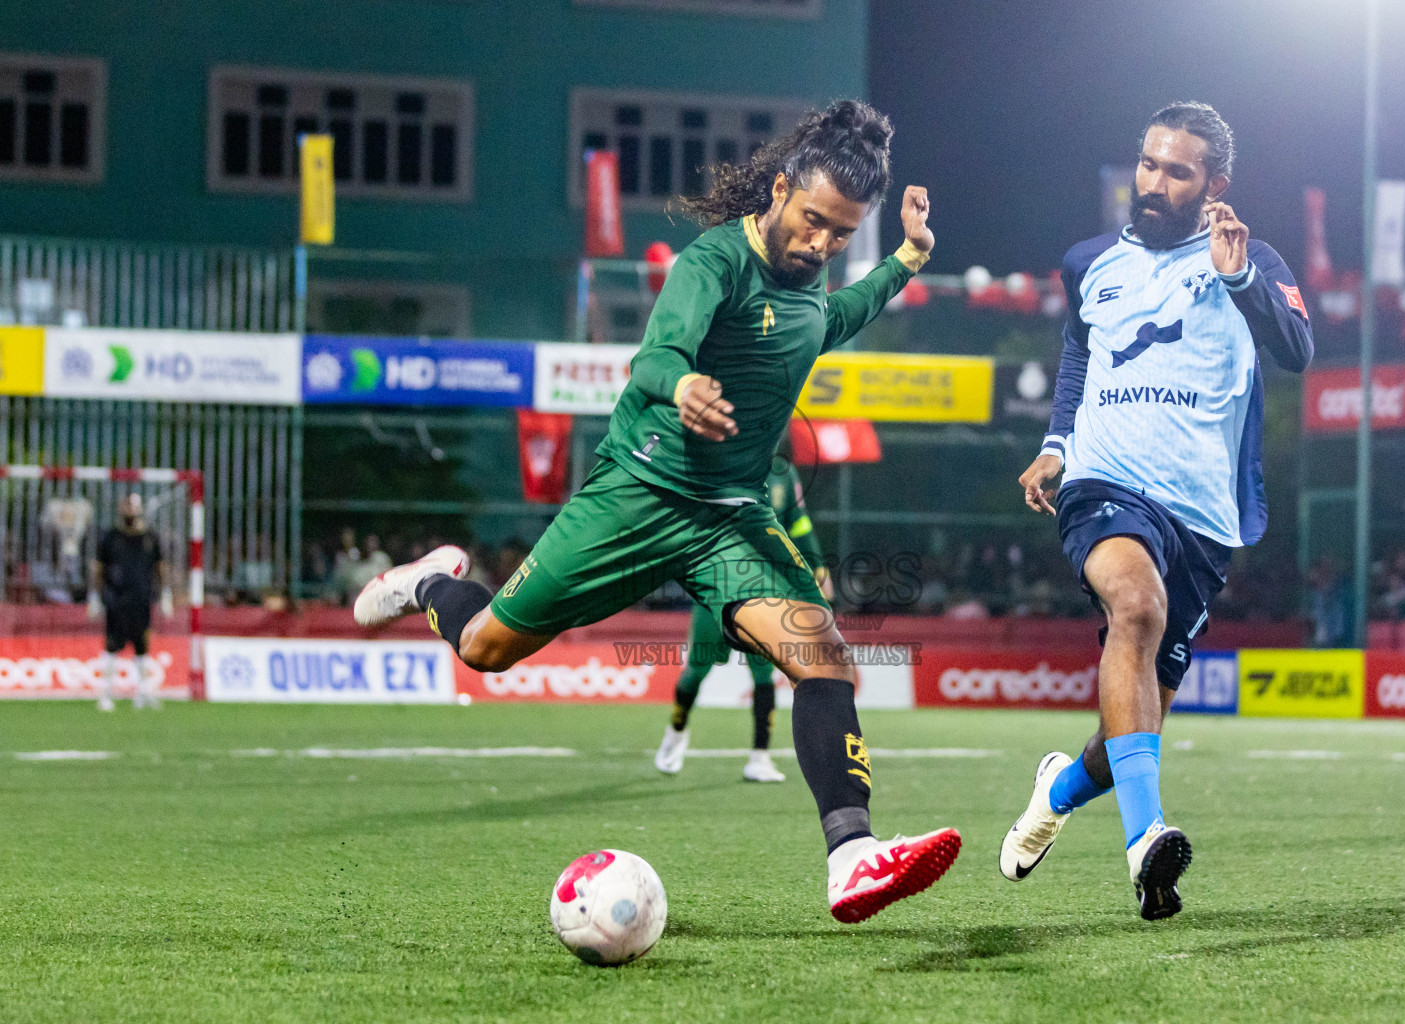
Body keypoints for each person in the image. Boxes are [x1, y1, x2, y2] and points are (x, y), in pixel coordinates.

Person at [352, 101, 959, 924]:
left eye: (840, 235)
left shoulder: (813, 292)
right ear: (780, 189)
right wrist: (682, 385)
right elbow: (657, 355)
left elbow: (842, 316)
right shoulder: (712, 264)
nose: (820, 244)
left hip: (728, 519)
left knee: (828, 661)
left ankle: (851, 858)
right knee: (487, 648)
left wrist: (908, 258)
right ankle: (431, 582)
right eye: (813, 220)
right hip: (636, 496)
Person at [1000, 102, 1313, 920]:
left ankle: (1055, 794)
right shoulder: (1090, 261)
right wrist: (1059, 444)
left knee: (1124, 731)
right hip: (1104, 482)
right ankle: (1147, 846)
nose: (1154, 182)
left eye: (1177, 171)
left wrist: (1241, 276)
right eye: (1147, 164)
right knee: (1135, 605)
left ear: (1215, 183)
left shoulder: (1249, 258)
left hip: (1203, 516)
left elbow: (1298, 352)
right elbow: (1079, 353)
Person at [655, 443, 833, 782]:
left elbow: (798, 523)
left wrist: (818, 566)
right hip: (716, 584)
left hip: (765, 588)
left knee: (765, 674)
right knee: (697, 669)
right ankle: (676, 731)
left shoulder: (783, 472)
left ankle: (759, 757)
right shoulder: (719, 463)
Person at [88, 494, 169, 710]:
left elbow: (160, 567)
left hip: (142, 599)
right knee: (112, 644)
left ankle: (142, 693)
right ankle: (105, 693)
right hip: (116, 599)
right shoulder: (111, 537)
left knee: (142, 644)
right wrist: (95, 596)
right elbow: (98, 568)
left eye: (133, 508)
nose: (130, 512)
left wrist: (165, 594)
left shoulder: (150, 538)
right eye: (127, 507)